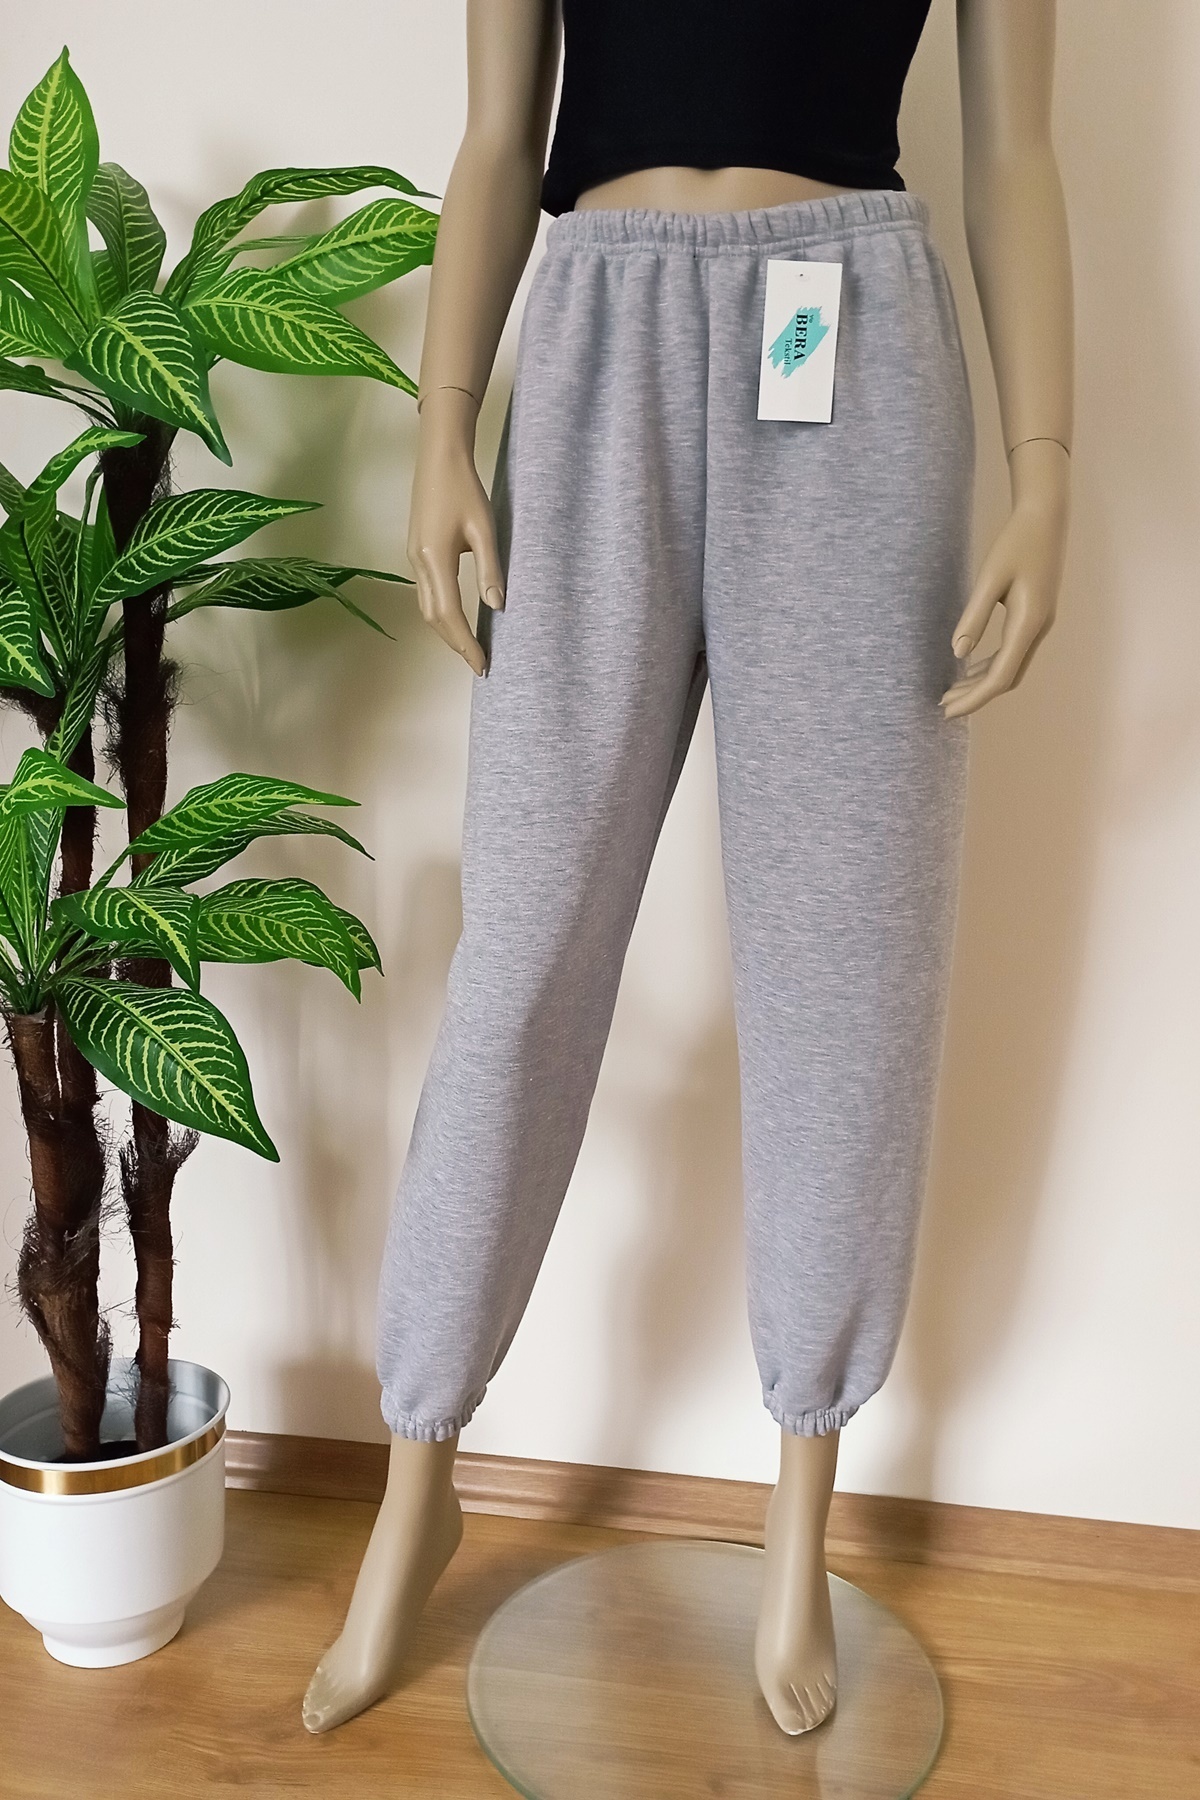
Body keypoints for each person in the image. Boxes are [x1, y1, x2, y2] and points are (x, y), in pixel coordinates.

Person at [304, 0, 1073, 1738]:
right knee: (524, 957)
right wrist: (441, 424)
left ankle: (800, 1506)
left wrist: (1048, 473)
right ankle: (416, 1482)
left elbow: (1015, 150)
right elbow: (498, 135)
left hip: (855, 341)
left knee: (847, 965)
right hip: (595, 335)